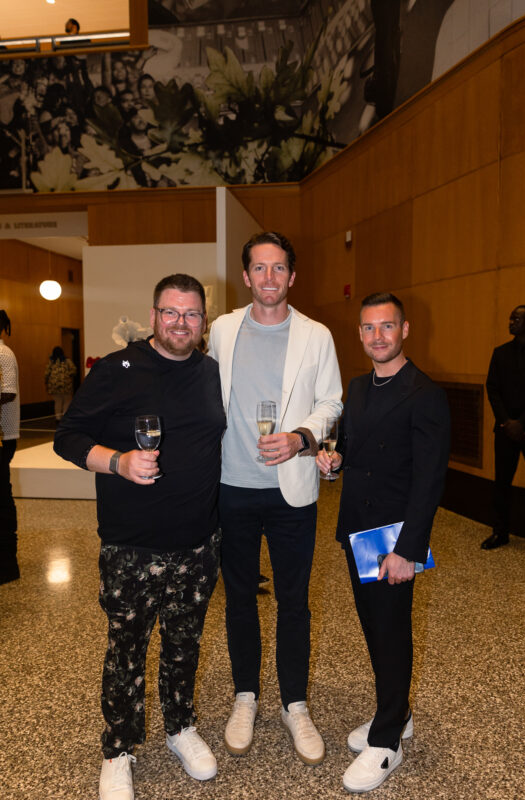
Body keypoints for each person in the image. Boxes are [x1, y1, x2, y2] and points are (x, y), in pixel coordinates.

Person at [54, 274, 226, 800]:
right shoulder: (116, 369)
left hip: (198, 544)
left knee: (184, 645)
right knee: (126, 650)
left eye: (191, 314)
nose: (181, 323)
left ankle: (180, 727)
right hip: (132, 545)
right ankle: (118, 748)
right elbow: (67, 437)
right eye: (171, 312)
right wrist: (118, 462)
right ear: (153, 316)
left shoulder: (211, 372)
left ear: (203, 321)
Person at [208, 231, 342, 766]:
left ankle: (295, 704)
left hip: (292, 492)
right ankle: (245, 696)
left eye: (279, 267)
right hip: (231, 486)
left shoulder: (316, 335)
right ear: (245, 276)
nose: (269, 277)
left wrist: (302, 438)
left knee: (294, 601)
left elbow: (332, 401)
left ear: (292, 276)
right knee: (239, 598)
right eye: (259, 268)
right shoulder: (222, 329)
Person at [317, 292, 449, 793]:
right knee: (374, 629)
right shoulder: (358, 386)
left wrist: (409, 551)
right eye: (369, 328)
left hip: (394, 538)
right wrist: (335, 462)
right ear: (360, 334)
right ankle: (398, 712)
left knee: (392, 633)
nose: (378, 336)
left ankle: (388, 738)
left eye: (387, 326)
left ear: (405, 329)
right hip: (358, 530)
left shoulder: (425, 393)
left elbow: (429, 481)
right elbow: (352, 447)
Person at [482, 305, 525, 549]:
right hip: (505, 430)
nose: (511, 321)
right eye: (511, 318)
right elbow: (492, 388)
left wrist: (522, 422)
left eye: (517, 318)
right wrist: (507, 422)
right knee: (501, 483)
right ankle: (500, 532)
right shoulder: (500, 352)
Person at [0, 310, 20, 586]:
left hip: (4, 435)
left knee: (2, 498)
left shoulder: (3, 354)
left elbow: (8, 391)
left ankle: (7, 564)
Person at [44, 346, 77, 421]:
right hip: (66, 385)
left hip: (54, 386)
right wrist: (68, 375)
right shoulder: (67, 361)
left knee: (57, 402)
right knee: (67, 401)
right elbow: (74, 370)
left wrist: (46, 383)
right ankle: (65, 416)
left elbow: (46, 373)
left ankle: (58, 417)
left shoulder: (51, 362)